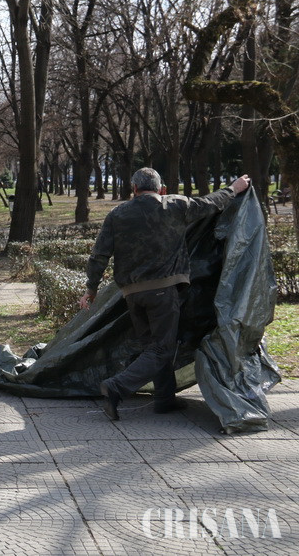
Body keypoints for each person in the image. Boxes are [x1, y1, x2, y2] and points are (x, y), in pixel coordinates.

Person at [79, 167, 251, 420]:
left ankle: (164, 399)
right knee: (161, 349)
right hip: (163, 290)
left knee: (153, 347)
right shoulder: (174, 205)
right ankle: (116, 387)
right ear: (161, 189)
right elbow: (210, 203)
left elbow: (99, 255)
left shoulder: (117, 214)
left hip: (132, 294)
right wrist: (234, 189)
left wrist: (91, 289)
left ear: (134, 189)